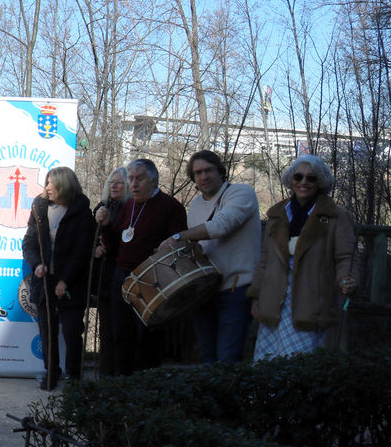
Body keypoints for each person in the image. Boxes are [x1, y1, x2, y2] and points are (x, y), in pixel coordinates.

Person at [250, 155, 357, 360]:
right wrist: (257, 296)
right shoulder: (277, 215)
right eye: (298, 177)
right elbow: (265, 260)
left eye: (311, 178)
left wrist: (347, 279)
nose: (303, 182)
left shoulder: (336, 216)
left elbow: (346, 256)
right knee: (267, 367)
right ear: (291, 180)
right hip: (274, 302)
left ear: (321, 182)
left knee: (297, 365)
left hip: (310, 302)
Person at [159, 151, 261, 363]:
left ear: (220, 171)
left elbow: (221, 225)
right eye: (197, 173)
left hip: (236, 288)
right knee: (207, 357)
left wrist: (178, 236)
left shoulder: (241, 193)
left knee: (228, 358)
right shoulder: (195, 205)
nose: (203, 177)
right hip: (204, 291)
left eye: (208, 170)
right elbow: (200, 246)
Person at [99, 158, 186, 376]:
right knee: (120, 334)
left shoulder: (171, 207)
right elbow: (116, 243)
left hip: (152, 280)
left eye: (140, 178)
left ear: (154, 181)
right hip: (123, 278)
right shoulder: (129, 205)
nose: (134, 184)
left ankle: (144, 389)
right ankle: (120, 386)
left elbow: (180, 245)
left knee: (146, 337)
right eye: (131, 179)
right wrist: (107, 225)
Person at [22, 166, 95, 390]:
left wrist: (65, 280)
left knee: (72, 330)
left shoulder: (81, 211)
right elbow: (29, 242)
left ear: (65, 186)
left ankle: (74, 375)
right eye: (47, 183)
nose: (48, 188)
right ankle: (51, 372)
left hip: (72, 282)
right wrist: (36, 265)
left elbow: (82, 252)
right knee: (47, 329)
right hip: (45, 279)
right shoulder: (39, 207)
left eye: (53, 184)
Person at [92, 167, 127, 377]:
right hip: (104, 278)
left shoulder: (130, 209)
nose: (113, 186)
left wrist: (109, 226)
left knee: (120, 330)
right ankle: (105, 376)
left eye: (119, 183)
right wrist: (94, 247)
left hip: (123, 275)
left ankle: (120, 376)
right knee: (105, 331)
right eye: (111, 182)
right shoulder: (102, 207)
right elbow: (88, 236)